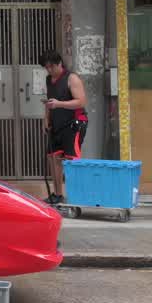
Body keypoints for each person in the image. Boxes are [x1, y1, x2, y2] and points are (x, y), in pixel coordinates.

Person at [41, 50, 87, 205]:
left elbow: (81, 101)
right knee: (53, 158)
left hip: (74, 124)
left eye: (51, 67)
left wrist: (59, 104)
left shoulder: (71, 78)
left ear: (59, 63)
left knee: (71, 160)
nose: (49, 70)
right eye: (46, 67)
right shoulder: (49, 80)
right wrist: (46, 119)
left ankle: (76, 196)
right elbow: (49, 101)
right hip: (56, 124)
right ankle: (57, 194)